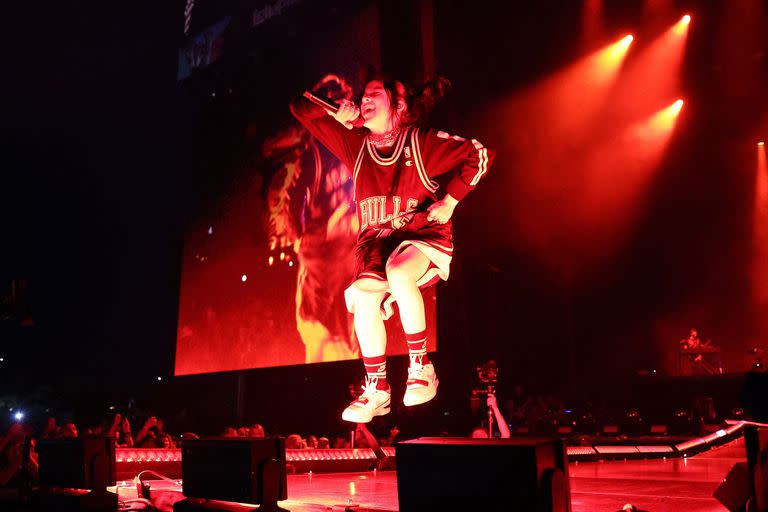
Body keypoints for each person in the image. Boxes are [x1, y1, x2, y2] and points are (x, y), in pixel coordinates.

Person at [291, 73, 495, 423]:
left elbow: (480, 154)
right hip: (376, 245)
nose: (365, 99)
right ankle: (378, 388)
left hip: (423, 235)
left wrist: (450, 201)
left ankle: (422, 367)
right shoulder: (353, 142)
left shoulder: (420, 143)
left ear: (397, 106)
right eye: (362, 96)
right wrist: (340, 114)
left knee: (400, 272)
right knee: (364, 296)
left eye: (374, 94)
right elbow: (299, 107)